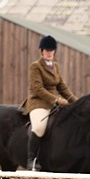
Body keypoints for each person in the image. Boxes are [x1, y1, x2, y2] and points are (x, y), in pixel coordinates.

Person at [23, 35, 77, 169]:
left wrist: (76, 102)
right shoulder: (35, 66)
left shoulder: (55, 66)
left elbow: (62, 87)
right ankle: (31, 160)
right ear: (42, 51)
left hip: (54, 104)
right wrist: (56, 99)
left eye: (51, 50)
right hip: (38, 102)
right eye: (47, 50)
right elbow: (38, 88)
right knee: (39, 127)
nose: (49, 53)